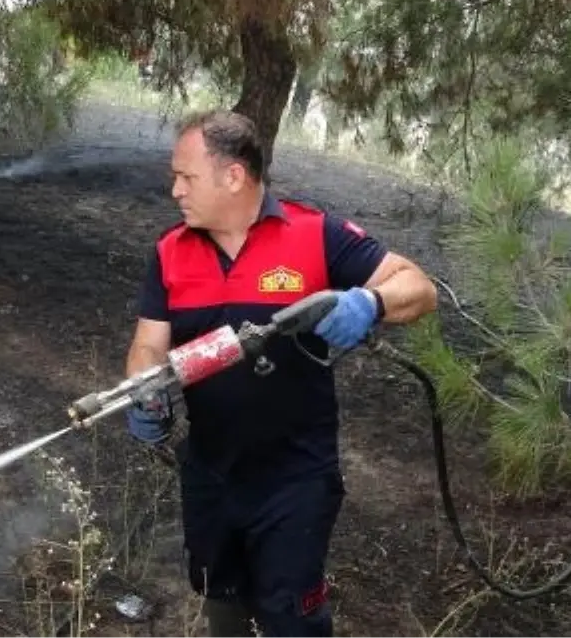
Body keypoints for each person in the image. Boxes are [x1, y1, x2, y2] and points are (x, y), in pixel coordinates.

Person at [125, 109, 437, 637]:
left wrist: (370, 301)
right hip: (210, 472)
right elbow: (148, 344)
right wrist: (145, 390)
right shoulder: (170, 252)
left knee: (290, 615)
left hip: (295, 479)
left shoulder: (314, 235)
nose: (175, 189)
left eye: (186, 176)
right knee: (220, 602)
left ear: (233, 176)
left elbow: (420, 288)